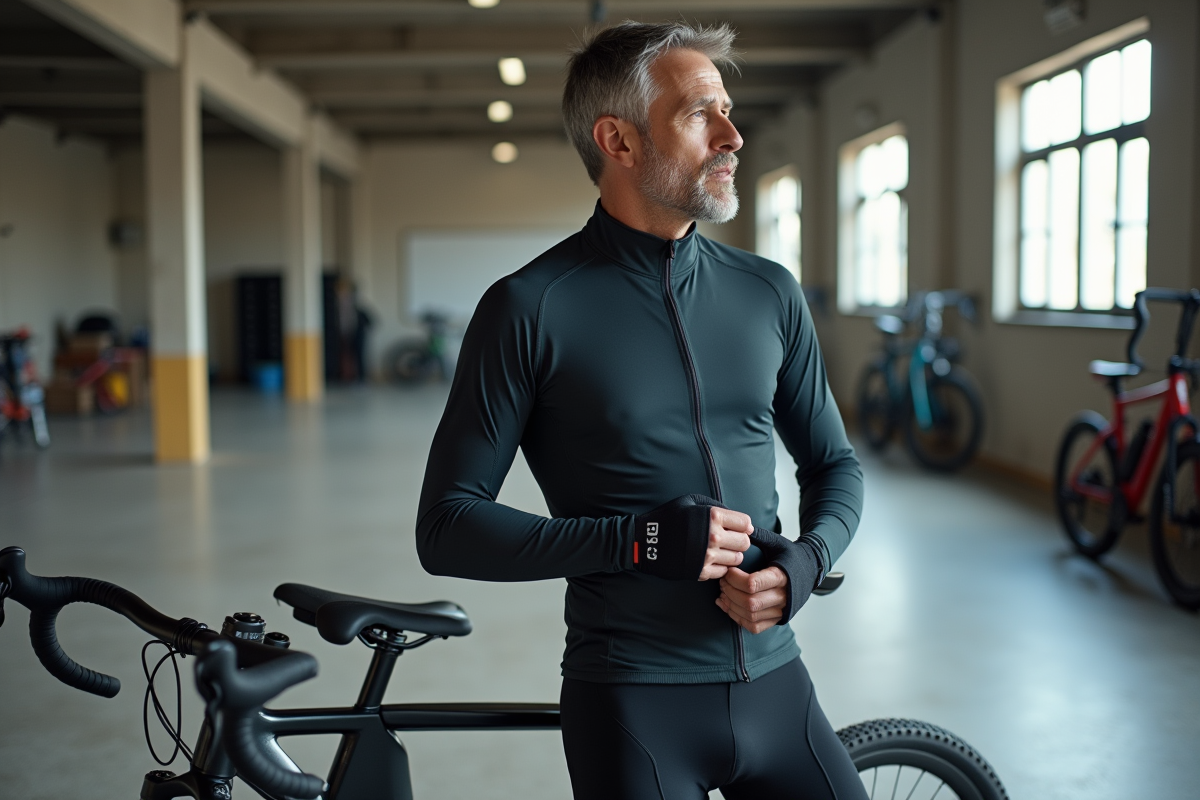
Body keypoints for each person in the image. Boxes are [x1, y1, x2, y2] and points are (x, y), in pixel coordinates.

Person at [416, 21, 865, 800]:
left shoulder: (768, 292)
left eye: (727, 110)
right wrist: (637, 541)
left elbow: (834, 464)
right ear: (618, 141)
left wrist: (807, 561)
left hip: (777, 685)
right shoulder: (530, 308)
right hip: (632, 701)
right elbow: (447, 527)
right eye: (699, 115)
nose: (732, 136)